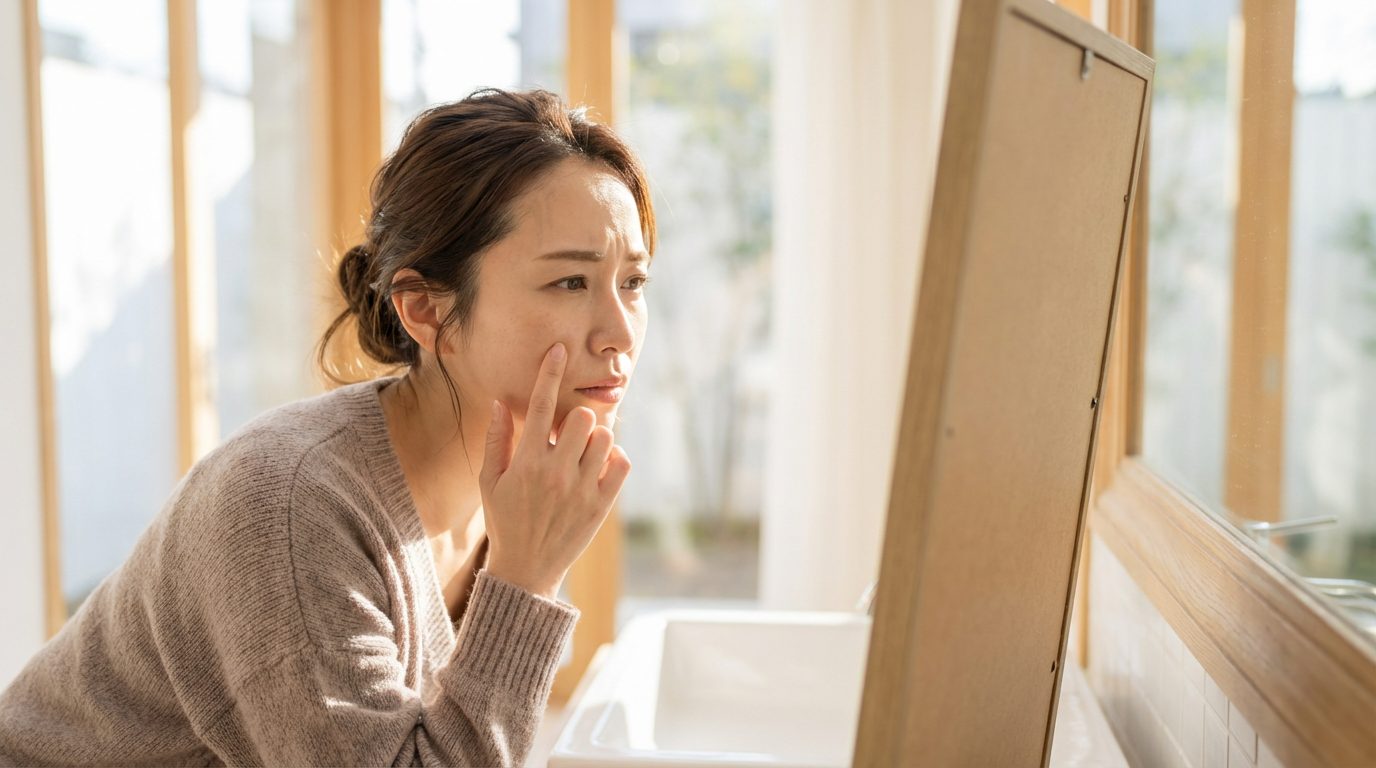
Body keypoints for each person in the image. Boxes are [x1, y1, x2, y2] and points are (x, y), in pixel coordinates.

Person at [0, 87, 655, 766]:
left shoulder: (516, 485)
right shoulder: (290, 507)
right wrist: (524, 583)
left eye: (633, 282)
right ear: (425, 312)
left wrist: (522, 572)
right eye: (571, 283)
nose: (619, 335)